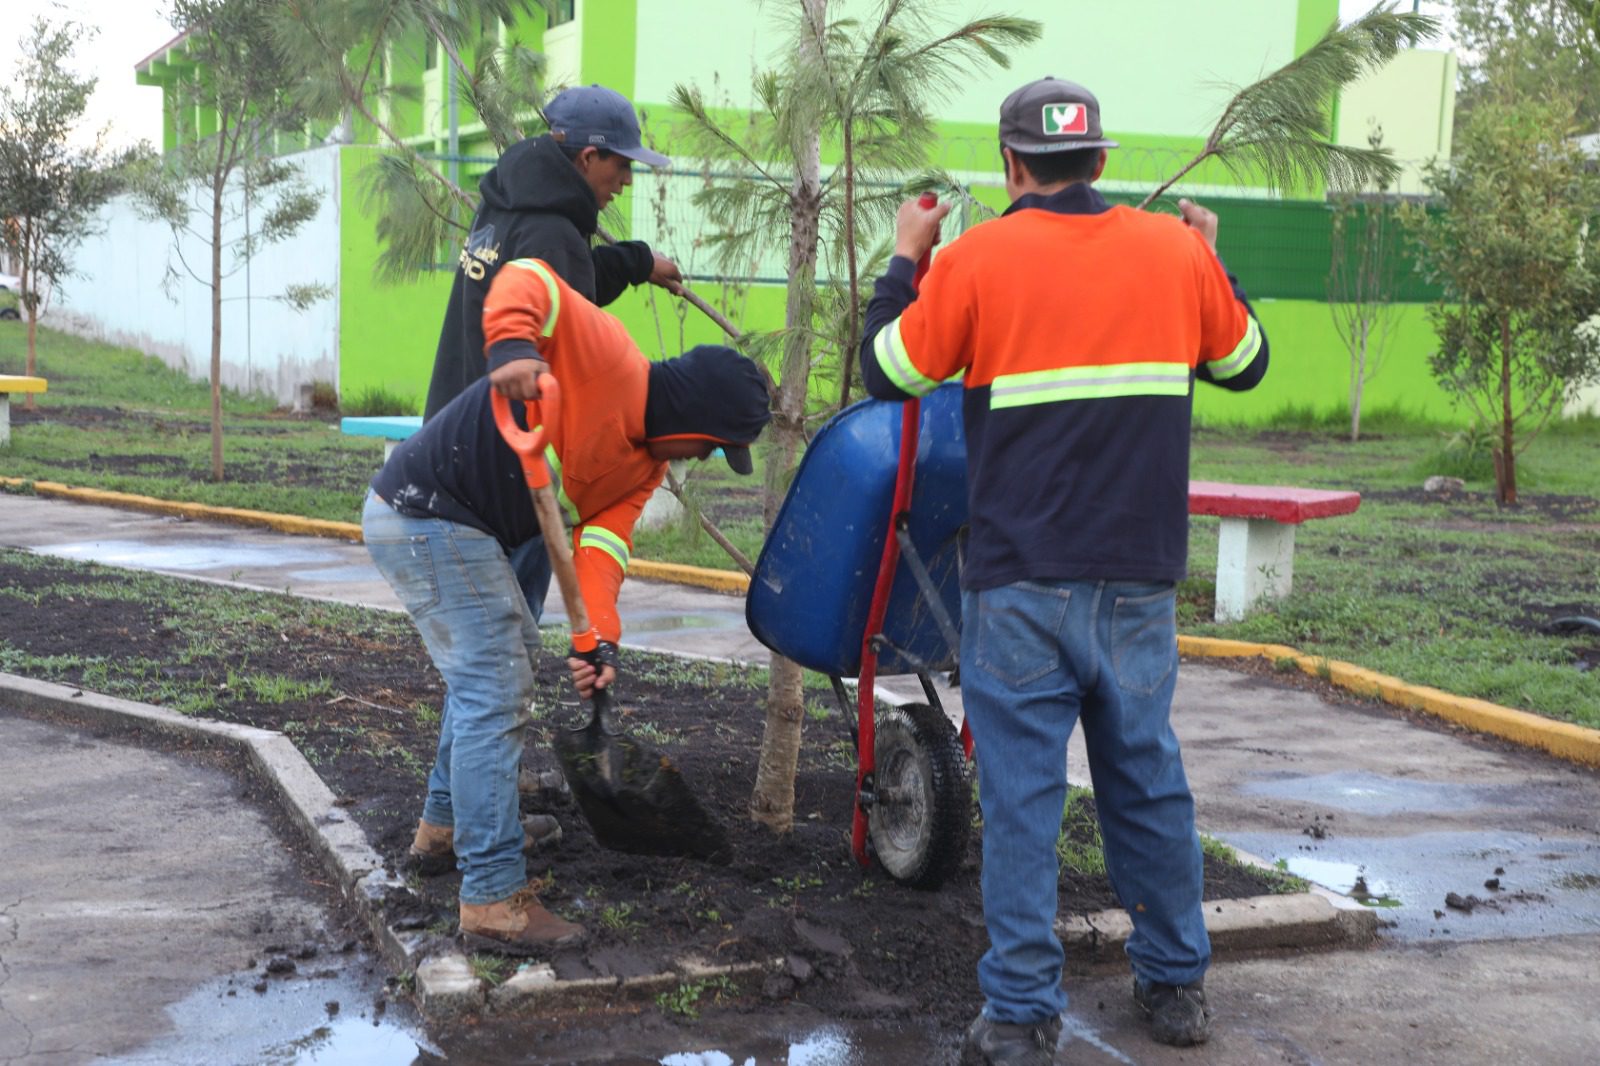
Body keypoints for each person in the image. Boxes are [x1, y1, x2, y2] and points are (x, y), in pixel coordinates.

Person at [859, 78, 1269, 1064]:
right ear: (1098, 159)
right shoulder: (1174, 252)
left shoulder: (972, 258)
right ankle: (1174, 991)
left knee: (1023, 802)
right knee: (1147, 785)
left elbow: (889, 372)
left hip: (1020, 583)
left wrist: (905, 258)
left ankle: (1020, 1018)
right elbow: (1245, 361)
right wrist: (1211, 259)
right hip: (1135, 580)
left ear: (1010, 167)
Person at [367, 258, 771, 955]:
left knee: (495, 673)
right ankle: (492, 898)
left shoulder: (642, 469)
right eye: (711, 446)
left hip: (461, 528)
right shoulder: (607, 352)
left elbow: (601, 557)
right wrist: (516, 346)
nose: (704, 460)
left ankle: (445, 828)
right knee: (496, 685)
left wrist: (597, 642)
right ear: (693, 419)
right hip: (423, 512)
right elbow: (528, 278)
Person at [423, 83, 686, 629]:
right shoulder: (552, 233)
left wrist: (638, 263)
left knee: (478, 652)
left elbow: (565, 292)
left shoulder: (508, 207)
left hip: (454, 443)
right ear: (589, 158)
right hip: (505, 471)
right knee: (501, 652)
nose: (627, 180)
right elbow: (575, 331)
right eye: (622, 164)